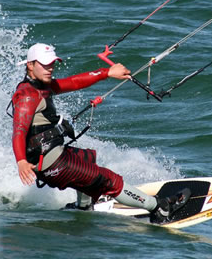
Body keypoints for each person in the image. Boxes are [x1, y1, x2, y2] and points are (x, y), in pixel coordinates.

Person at [11, 43, 190, 224]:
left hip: (52, 154)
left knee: (88, 158)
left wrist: (107, 72)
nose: (50, 68)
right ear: (30, 65)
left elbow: (73, 82)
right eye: (44, 64)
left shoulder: (43, 85)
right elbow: (19, 131)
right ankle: (160, 207)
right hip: (50, 162)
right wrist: (21, 162)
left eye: (52, 64)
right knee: (108, 179)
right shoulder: (27, 95)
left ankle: (83, 207)